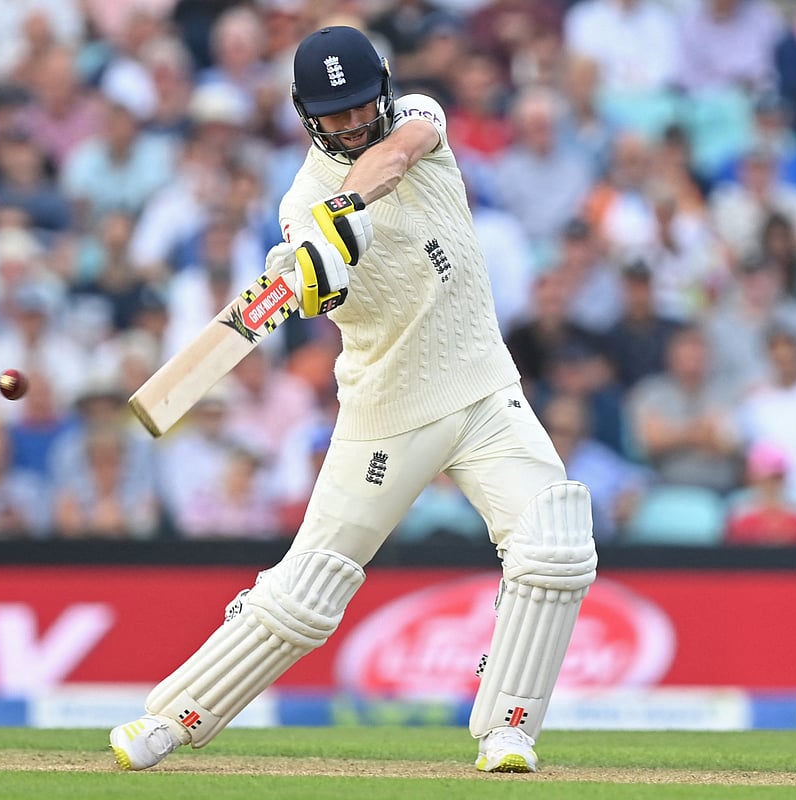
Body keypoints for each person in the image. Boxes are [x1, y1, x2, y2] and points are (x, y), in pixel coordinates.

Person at [109, 26, 597, 776]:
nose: (351, 124)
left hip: (485, 390)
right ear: (306, 115)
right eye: (332, 116)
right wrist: (311, 261)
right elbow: (326, 266)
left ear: (387, 91)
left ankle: (509, 732)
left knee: (557, 543)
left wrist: (346, 205)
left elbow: (394, 157)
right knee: (310, 592)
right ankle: (170, 719)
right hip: (388, 416)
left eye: (361, 107)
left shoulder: (419, 119)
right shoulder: (300, 204)